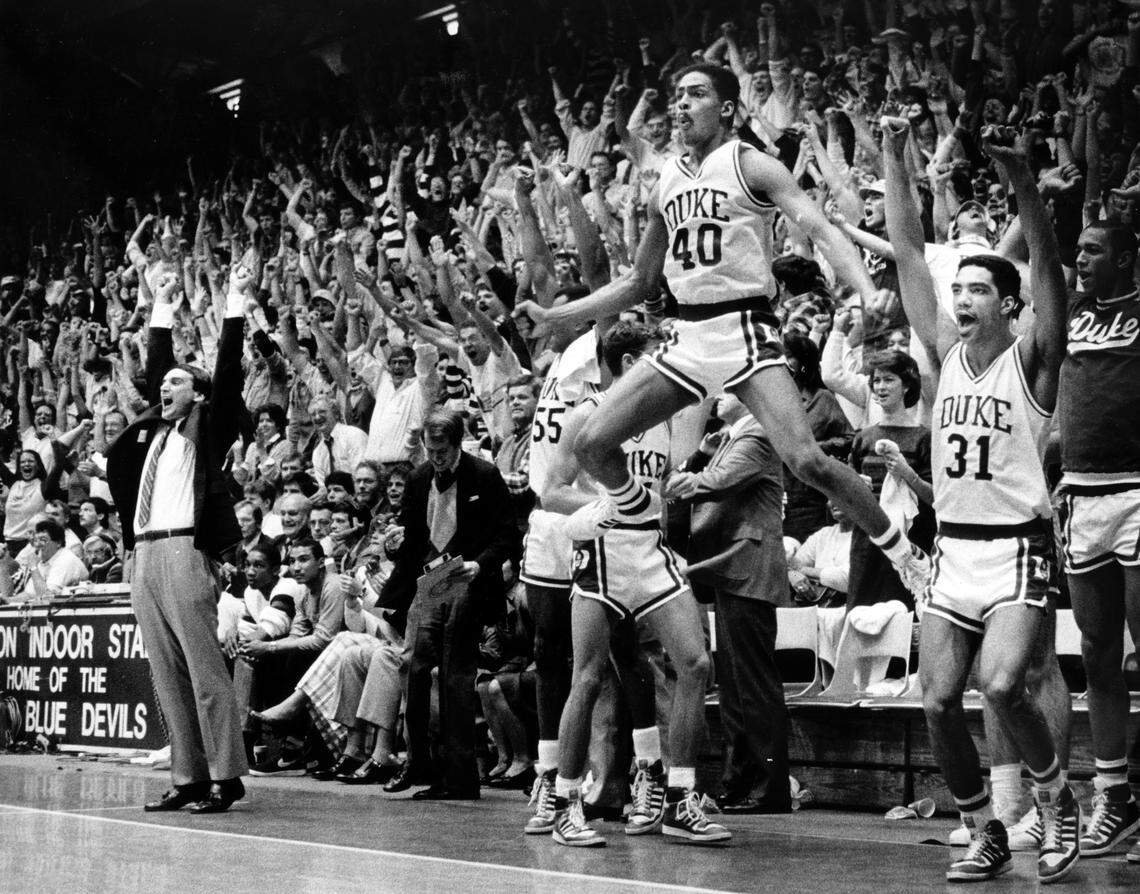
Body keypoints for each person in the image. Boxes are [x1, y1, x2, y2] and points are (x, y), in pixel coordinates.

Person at [516, 63, 929, 598]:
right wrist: (556, 317)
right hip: (687, 335)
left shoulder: (751, 164)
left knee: (807, 461)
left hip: (745, 328)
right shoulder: (666, 178)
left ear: (728, 108)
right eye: (677, 96)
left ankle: (904, 553)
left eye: (696, 94)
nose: (681, 105)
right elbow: (640, 281)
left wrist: (863, 287)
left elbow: (817, 226)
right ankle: (636, 512)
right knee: (594, 443)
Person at [887, 121, 1078, 884]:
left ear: (1009, 303)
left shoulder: (1034, 359)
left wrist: (1026, 187)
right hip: (956, 549)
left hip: (1018, 546)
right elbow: (905, 251)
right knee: (936, 701)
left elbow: (1051, 273)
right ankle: (983, 828)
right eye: (957, 288)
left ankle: (1057, 799)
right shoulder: (946, 353)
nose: (960, 297)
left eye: (976, 289)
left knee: (1003, 685)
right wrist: (891, 159)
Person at [539, 322, 727, 847]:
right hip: (602, 553)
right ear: (629, 367)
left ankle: (681, 799)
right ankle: (566, 802)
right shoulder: (587, 413)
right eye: (653, 358)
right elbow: (550, 493)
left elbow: (656, 484)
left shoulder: (668, 417)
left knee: (695, 663)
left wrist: (676, 487)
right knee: (589, 678)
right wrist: (603, 505)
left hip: (651, 550)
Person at [106, 267, 250, 814]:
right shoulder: (152, 432)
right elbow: (154, 369)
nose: (165, 387)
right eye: (163, 384)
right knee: (166, 673)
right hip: (144, 552)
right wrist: (160, 305)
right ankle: (188, 776)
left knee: (204, 668)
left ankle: (226, 775)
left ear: (197, 395)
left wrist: (234, 302)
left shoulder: (207, 427)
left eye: (177, 383)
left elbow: (229, 374)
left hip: (185, 549)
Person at [377, 409, 517, 800]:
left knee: (455, 675)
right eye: (430, 449)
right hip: (429, 579)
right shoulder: (420, 477)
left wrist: (481, 564)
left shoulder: (485, 475)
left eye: (443, 450)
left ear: (458, 444)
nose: (436, 457)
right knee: (412, 666)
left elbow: (508, 534)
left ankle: (459, 778)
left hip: (465, 578)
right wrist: (395, 544)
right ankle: (418, 762)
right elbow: (408, 533)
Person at [666, 391, 791, 814]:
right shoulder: (730, 437)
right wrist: (700, 457)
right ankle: (740, 782)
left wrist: (690, 479)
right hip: (731, 570)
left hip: (748, 569)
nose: (717, 395)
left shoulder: (756, 435)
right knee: (737, 688)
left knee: (754, 686)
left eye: (730, 388)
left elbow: (720, 483)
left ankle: (768, 787)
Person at [1058, 219, 1140, 861]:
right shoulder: (1073, 311)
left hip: (1138, 487)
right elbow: (1040, 249)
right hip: (1082, 493)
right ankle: (1115, 795)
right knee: (1097, 655)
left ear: (1127, 256)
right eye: (1079, 249)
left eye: (1094, 250)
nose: (1081, 259)